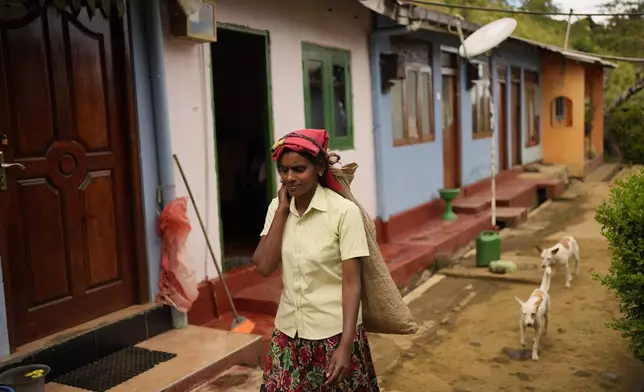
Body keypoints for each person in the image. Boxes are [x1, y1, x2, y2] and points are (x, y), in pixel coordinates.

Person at [252, 129, 380, 391]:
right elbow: (264, 266)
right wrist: (282, 212)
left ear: (320, 168)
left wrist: (346, 345)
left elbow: (351, 284)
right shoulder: (278, 208)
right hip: (288, 334)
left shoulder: (343, 212)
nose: (290, 177)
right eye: (284, 170)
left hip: (333, 337)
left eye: (299, 169)